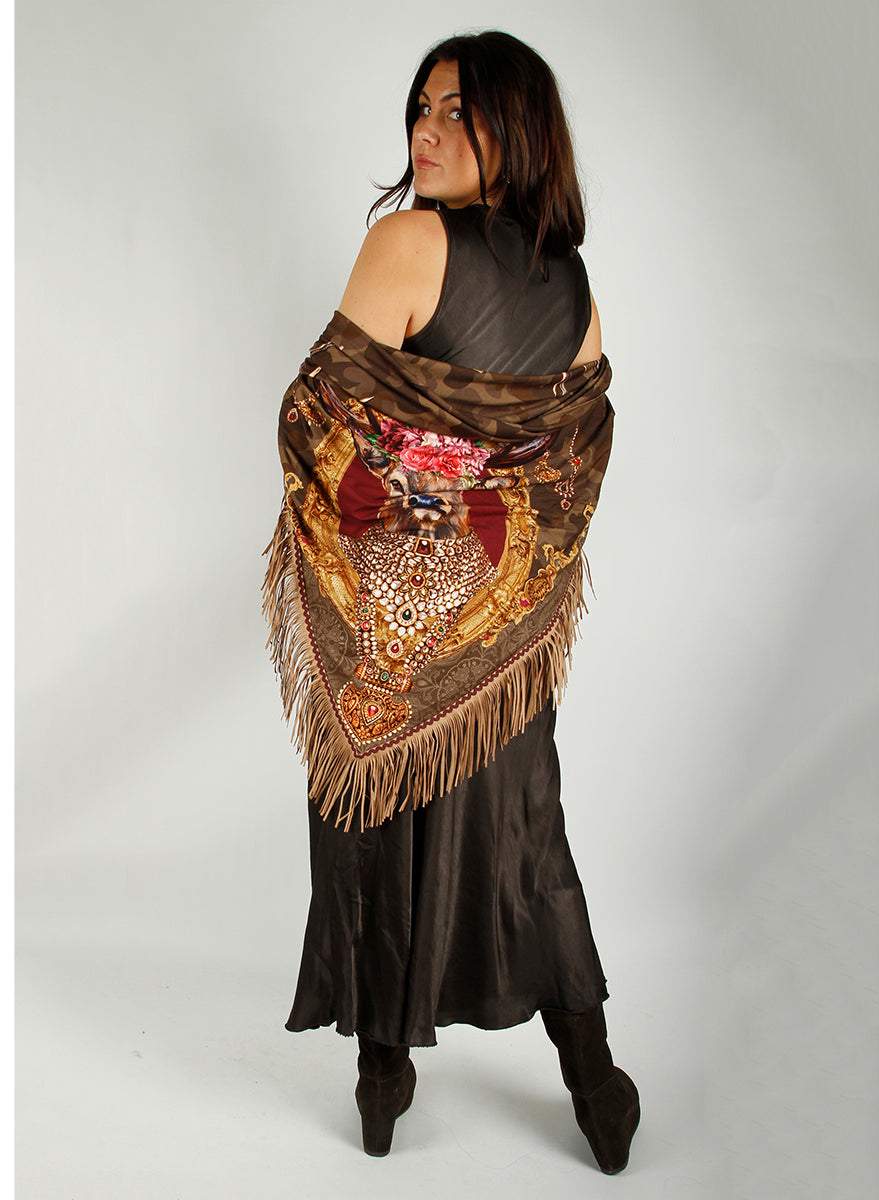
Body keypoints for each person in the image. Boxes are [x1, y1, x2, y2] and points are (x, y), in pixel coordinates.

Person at [266, 30, 640, 1174]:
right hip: (498, 635)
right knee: (527, 838)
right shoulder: (572, 282)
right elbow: (572, 462)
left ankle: (384, 1076)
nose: (426, 131)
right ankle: (596, 1081)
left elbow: (318, 423)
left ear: (516, 130)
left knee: (378, 823)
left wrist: (418, 507)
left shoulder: (406, 242)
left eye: (456, 112)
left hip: (395, 624)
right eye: (420, 108)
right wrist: (491, 551)